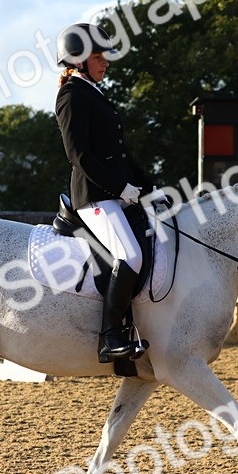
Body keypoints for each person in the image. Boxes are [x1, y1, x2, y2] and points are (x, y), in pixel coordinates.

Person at [55, 22, 165, 363]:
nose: (106, 63)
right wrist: (121, 188)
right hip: (94, 196)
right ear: (80, 59)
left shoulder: (94, 92)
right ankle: (110, 337)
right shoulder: (72, 95)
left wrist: (149, 187)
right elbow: (79, 155)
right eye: (100, 57)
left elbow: (120, 153)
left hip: (117, 193)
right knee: (130, 256)